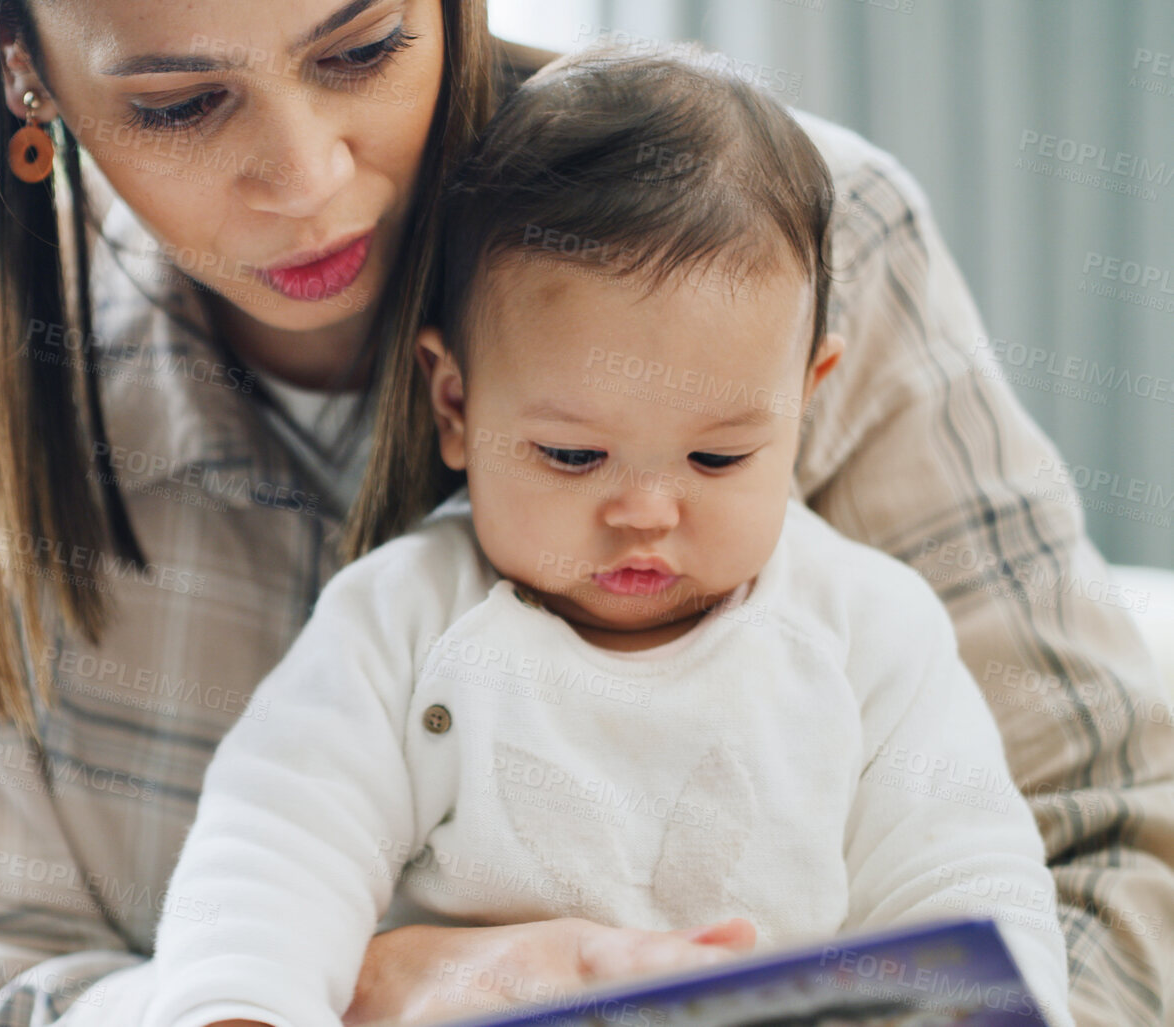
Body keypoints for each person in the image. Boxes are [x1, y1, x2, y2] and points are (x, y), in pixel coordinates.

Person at [0, 1, 1174, 1024]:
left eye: (357, 50)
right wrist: (379, 988)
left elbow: (1111, 834)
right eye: (180, 104)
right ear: (23, 64)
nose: (303, 177)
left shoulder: (797, 254)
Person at [141, 44, 1074, 1027]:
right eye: (572, 456)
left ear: (805, 402)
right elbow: (277, 844)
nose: (644, 513)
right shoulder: (399, 622)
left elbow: (965, 872)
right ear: (455, 403)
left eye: (716, 461)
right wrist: (239, 1005)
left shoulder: (870, 631)